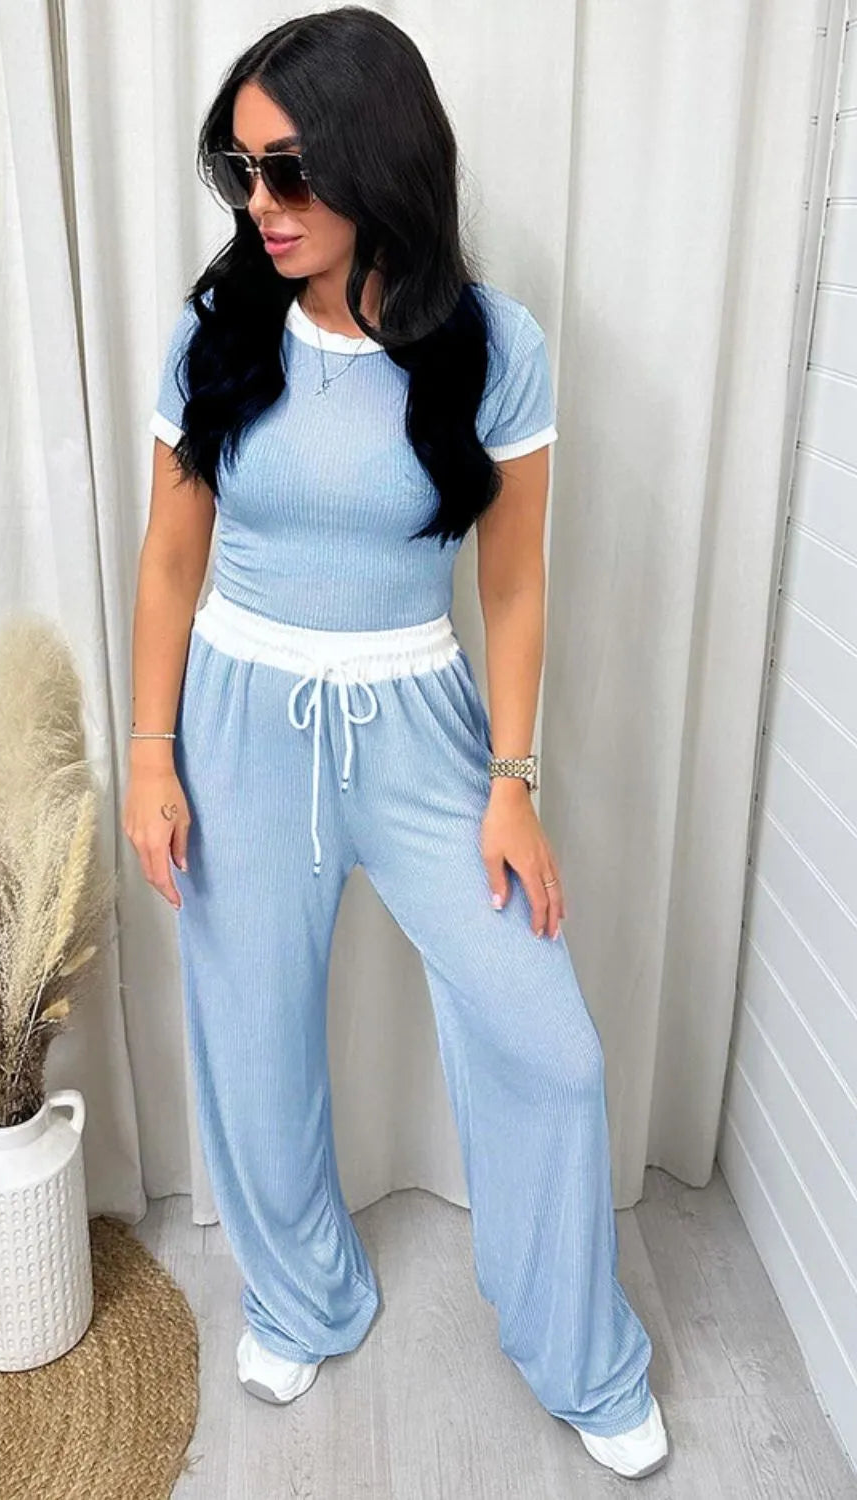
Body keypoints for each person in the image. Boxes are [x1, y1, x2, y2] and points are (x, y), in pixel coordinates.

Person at [124, 5, 669, 1481]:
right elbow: (172, 561)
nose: (264, 207)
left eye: (291, 171)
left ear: (380, 153)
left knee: (547, 1043)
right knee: (249, 1035)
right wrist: (152, 754)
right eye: (239, 174)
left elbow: (511, 578)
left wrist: (512, 784)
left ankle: (576, 1346)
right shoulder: (218, 331)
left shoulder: (495, 348)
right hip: (238, 719)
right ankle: (305, 1293)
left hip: (420, 724)